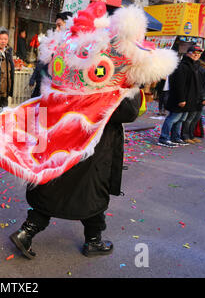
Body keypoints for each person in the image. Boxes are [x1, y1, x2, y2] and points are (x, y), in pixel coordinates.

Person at [10, 90, 142, 259]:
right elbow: (127, 112)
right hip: (91, 148)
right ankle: (93, 241)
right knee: (92, 193)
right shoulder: (111, 74)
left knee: (53, 190)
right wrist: (133, 86)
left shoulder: (58, 66)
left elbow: (39, 100)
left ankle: (26, 232)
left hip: (58, 141)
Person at [158, 45, 202, 147]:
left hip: (189, 99)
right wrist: (181, 99)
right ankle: (163, 138)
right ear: (188, 53)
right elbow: (179, 84)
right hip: (180, 99)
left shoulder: (194, 65)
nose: (196, 55)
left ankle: (175, 137)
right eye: (194, 53)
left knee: (181, 119)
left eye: (198, 53)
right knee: (173, 118)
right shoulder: (182, 65)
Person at [179, 47, 205, 144]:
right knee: (189, 119)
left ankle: (191, 135)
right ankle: (185, 135)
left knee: (195, 118)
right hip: (195, 97)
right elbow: (199, 84)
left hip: (200, 97)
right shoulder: (198, 67)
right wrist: (203, 97)